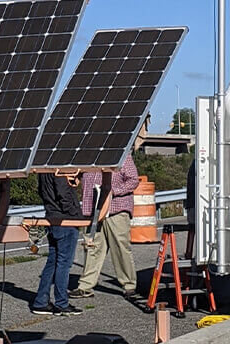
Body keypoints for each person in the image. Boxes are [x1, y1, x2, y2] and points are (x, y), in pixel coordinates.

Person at [70, 127, 145, 301]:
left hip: (116, 209)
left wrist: (114, 191)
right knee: (92, 247)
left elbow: (133, 179)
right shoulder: (87, 158)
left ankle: (129, 286)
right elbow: (78, 176)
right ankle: (85, 286)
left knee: (120, 248)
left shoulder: (120, 155)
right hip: (93, 211)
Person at [31, 173, 84, 316]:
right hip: (65, 221)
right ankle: (62, 303)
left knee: (53, 262)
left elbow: (42, 191)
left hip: (52, 217)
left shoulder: (44, 171)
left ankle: (41, 301)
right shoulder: (59, 171)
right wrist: (75, 215)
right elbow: (63, 194)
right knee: (64, 263)